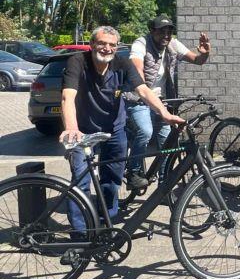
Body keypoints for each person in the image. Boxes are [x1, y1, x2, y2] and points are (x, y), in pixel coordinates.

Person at [60, 26, 184, 230]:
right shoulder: (77, 62)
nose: (106, 48)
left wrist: (165, 114)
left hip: (114, 130)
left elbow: (143, 90)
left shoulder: (122, 64)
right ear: (92, 45)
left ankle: (107, 224)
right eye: (101, 43)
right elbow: (68, 96)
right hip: (81, 130)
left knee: (111, 180)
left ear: (117, 47)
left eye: (111, 45)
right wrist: (72, 127)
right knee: (80, 181)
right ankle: (80, 235)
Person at [124, 14, 211, 189]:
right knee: (146, 132)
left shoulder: (173, 45)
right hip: (138, 99)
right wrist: (146, 94)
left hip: (162, 102)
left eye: (169, 31)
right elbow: (137, 69)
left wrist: (205, 53)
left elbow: (197, 61)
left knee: (168, 144)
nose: (166, 35)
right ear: (152, 30)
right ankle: (133, 172)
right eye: (161, 31)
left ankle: (164, 186)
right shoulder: (141, 44)